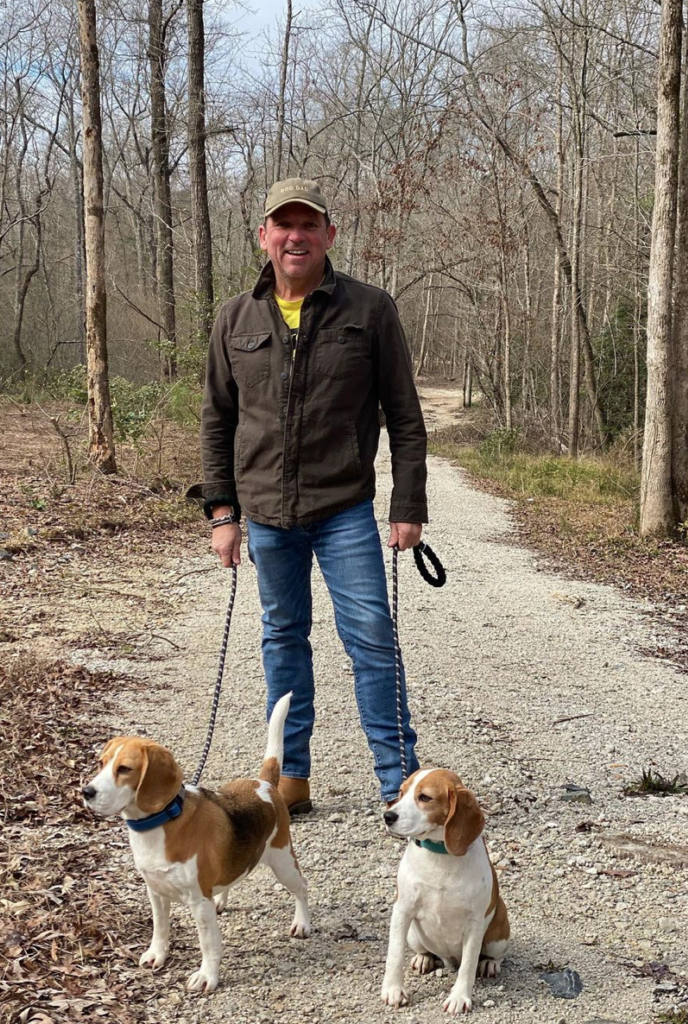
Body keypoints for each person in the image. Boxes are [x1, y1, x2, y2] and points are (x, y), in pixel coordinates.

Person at [195, 177, 427, 813]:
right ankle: (289, 778)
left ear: (329, 234)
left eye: (308, 225)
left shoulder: (369, 310)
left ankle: (399, 780)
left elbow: (404, 416)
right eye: (283, 225)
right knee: (283, 638)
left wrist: (408, 506)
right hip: (266, 513)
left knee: (373, 638)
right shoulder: (235, 317)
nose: (295, 236)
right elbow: (218, 419)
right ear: (264, 235)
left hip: (344, 508)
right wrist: (222, 511)